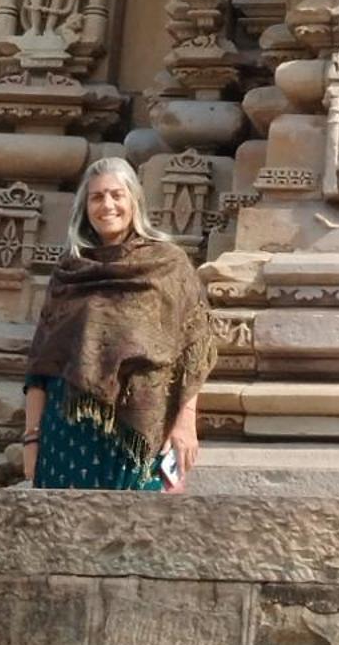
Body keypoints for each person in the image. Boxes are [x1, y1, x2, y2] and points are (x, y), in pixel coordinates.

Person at [21, 157, 216, 491]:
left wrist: (185, 425)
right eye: (96, 197)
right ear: (85, 208)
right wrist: (31, 438)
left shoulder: (167, 265)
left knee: (138, 535)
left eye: (116, 195)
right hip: (67, 436)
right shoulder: (70, 271)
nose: (107, 205)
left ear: (134, 202)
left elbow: (192, 350)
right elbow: (42, 364)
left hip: (140, 433)